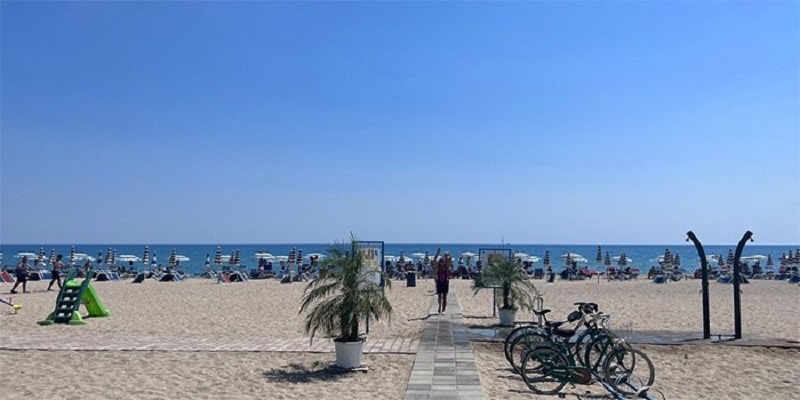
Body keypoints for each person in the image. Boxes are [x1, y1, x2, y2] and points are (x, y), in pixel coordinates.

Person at [432, 248, 453, 314]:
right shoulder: (438, 267)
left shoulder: (447, 267)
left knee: (445, 297)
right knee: (439, 296)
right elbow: (434, 260)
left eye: (443, 262)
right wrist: (437, 254)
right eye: (441, 262)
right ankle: (439, 306)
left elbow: (450, 261)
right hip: (439, 282)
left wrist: (449, 255)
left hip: (445, 282)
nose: (442, 263)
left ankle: (443, 310)